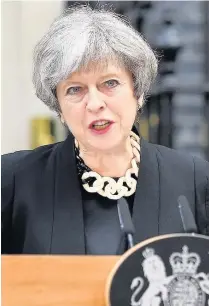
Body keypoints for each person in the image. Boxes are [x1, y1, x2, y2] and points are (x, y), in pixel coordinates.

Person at [2, 5, 209, 255]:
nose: (95, 103)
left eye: (110, 83)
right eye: (74, 89)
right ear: (59, 108)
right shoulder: (13, 180)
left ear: (138, 92)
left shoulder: (195, 179)